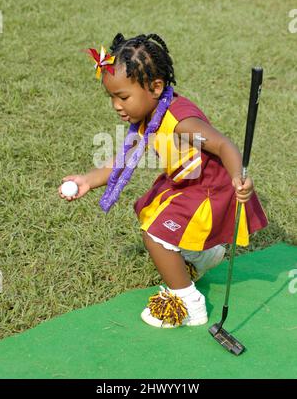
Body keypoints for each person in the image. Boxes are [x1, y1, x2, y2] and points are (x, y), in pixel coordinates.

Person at [58, 33, 268, 328]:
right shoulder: (147, 115)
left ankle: (188, 303)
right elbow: (123, 159)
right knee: (151, 211)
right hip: (185, 183)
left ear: (155, 87)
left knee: (156, 234)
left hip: (209, 189)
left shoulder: (181, 122)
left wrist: (239, 177)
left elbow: (223, 145)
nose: (117, 106)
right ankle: (204, 256)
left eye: (123, 97)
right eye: (112, 97)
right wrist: (87, 180)